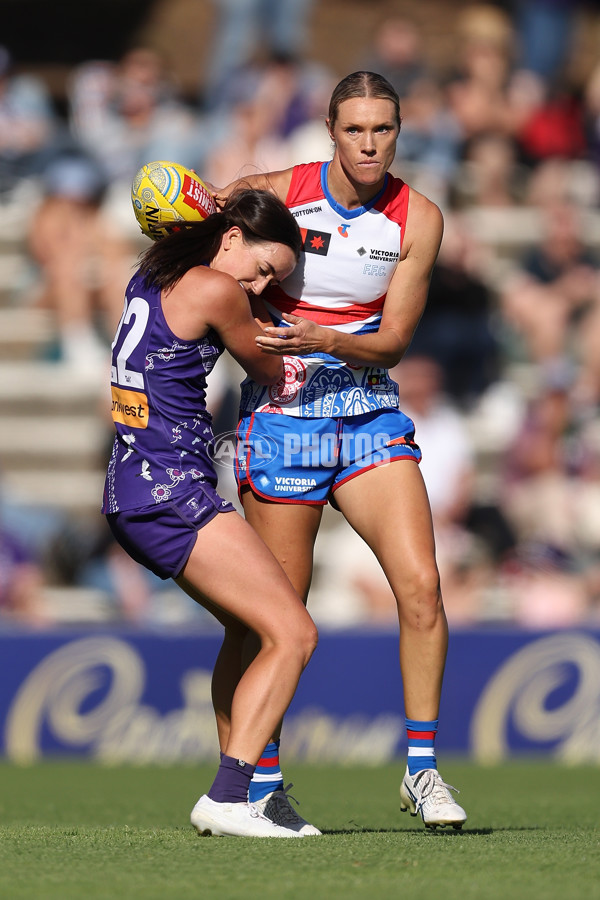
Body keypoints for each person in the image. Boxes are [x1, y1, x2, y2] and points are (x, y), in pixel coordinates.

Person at [214, 71, 468, 831]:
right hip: (283, 417)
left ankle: (422, 771)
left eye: (382, 130)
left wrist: (328, 339)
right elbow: (206, 248)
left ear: (399, 132)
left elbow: (391, 342)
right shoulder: (272, 190)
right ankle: (260, 780)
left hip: (366, 414)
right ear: (330, 128)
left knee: (421, 586)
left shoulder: (419, 219)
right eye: (354, 129)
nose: (368, 143)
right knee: (274, 615)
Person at [101, 188, 319, 837]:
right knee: (296, 634)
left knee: (249, 632)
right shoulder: (218, 290)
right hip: (172, 491)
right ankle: (228, 796)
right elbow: (274, 370)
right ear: (228, 237)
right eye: (263, 268)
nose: (259, 284)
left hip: (133, 489)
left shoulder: (153, 273)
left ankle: (244, 793)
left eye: (272, 280)